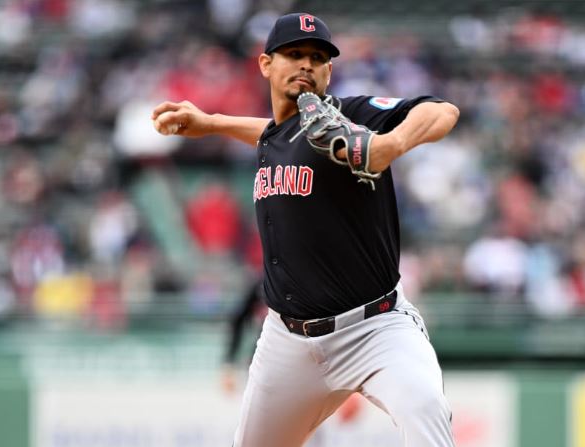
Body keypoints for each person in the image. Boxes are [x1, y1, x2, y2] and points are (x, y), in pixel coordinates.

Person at [152, 12, 460, 447]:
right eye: (294, 54)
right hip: (288, 341)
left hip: (375, 328)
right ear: (265, 65)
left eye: (318, 58)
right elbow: (273, 133)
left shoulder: (350, 117)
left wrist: (388, 145)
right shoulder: (276, 137)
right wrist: (213, 123)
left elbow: (442, 110)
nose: (306, 64)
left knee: (425, 412)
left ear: (329, 72)